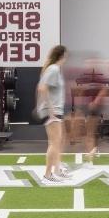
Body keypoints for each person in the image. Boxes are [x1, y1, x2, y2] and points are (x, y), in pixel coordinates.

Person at [36, 44, 69, 182]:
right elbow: (42, 88)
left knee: (59, 141)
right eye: (66, 55)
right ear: (62, 55)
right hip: (52, 112)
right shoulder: (54, 69)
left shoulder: (55, 69)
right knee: (54, 143)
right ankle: (48, 175)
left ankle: (57, 170)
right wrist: (50, 110)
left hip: (55, 110)